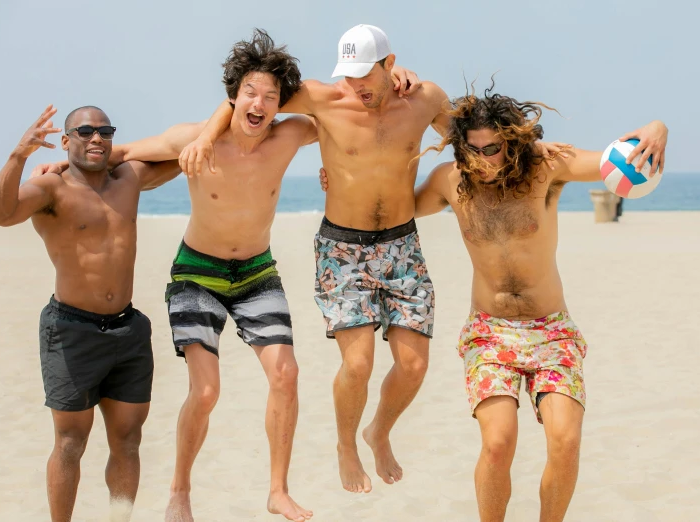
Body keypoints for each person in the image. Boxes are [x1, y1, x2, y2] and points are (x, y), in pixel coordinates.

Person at [33, 28, 417, 521]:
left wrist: (401, 76)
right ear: (233, 96)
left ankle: (277, 490)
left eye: (272, 97)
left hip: (257, 270)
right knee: (207, 390)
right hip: (198, 271)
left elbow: (353, 112)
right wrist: (57, 167)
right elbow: (119, 153)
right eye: (250, 93)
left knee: (286, 374)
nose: (260, 104)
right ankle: (180, 491)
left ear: (282, 105)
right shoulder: (192, 140)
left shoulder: (290, 134)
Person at [179, 24, 568, 495]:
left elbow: (474, 138)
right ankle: (346, 444)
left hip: (402, 242)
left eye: (367, 73)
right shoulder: (323, 98)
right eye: (350, 74)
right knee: (359, 364)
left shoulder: (424, 99)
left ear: (390, 64)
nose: (357, 85)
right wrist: (203, 138)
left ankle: (378, 430)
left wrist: (533, 153)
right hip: (343, 246)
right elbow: (250, 98)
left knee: (413, 367)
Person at [410, 82, 668, 521]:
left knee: (565, 442)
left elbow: (611, 160)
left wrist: (657, 128)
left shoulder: (546, 168)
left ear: (510, 142)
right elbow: (393, 207)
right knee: (497, 443)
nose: (482, 160)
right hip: (489, 331)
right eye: (471, 151)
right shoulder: (450, 182)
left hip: (552, 328)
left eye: (492, 149)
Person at [0, 105, 180, 522]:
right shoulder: (51, 190)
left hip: (128, 330)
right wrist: (19, 155)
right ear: (65, 140)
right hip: (72, 330)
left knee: (128, 439)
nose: (96, 137)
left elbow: (181, 151)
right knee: (71, 442)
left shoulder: (128, 178)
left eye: (104, 131)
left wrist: (122, 152)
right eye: (85, 131)